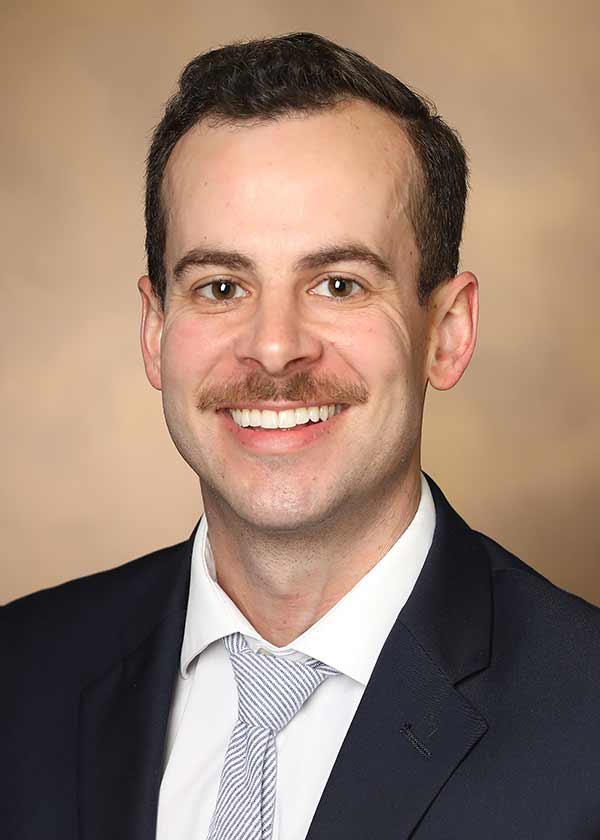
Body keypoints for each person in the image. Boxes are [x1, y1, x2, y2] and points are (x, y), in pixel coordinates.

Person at [2, 31, 599, 840]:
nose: (276, 348)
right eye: (221, 286)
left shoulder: (586, 725)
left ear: (447, 332)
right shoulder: (20, 673)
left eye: (338, 284)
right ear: (155, 330)